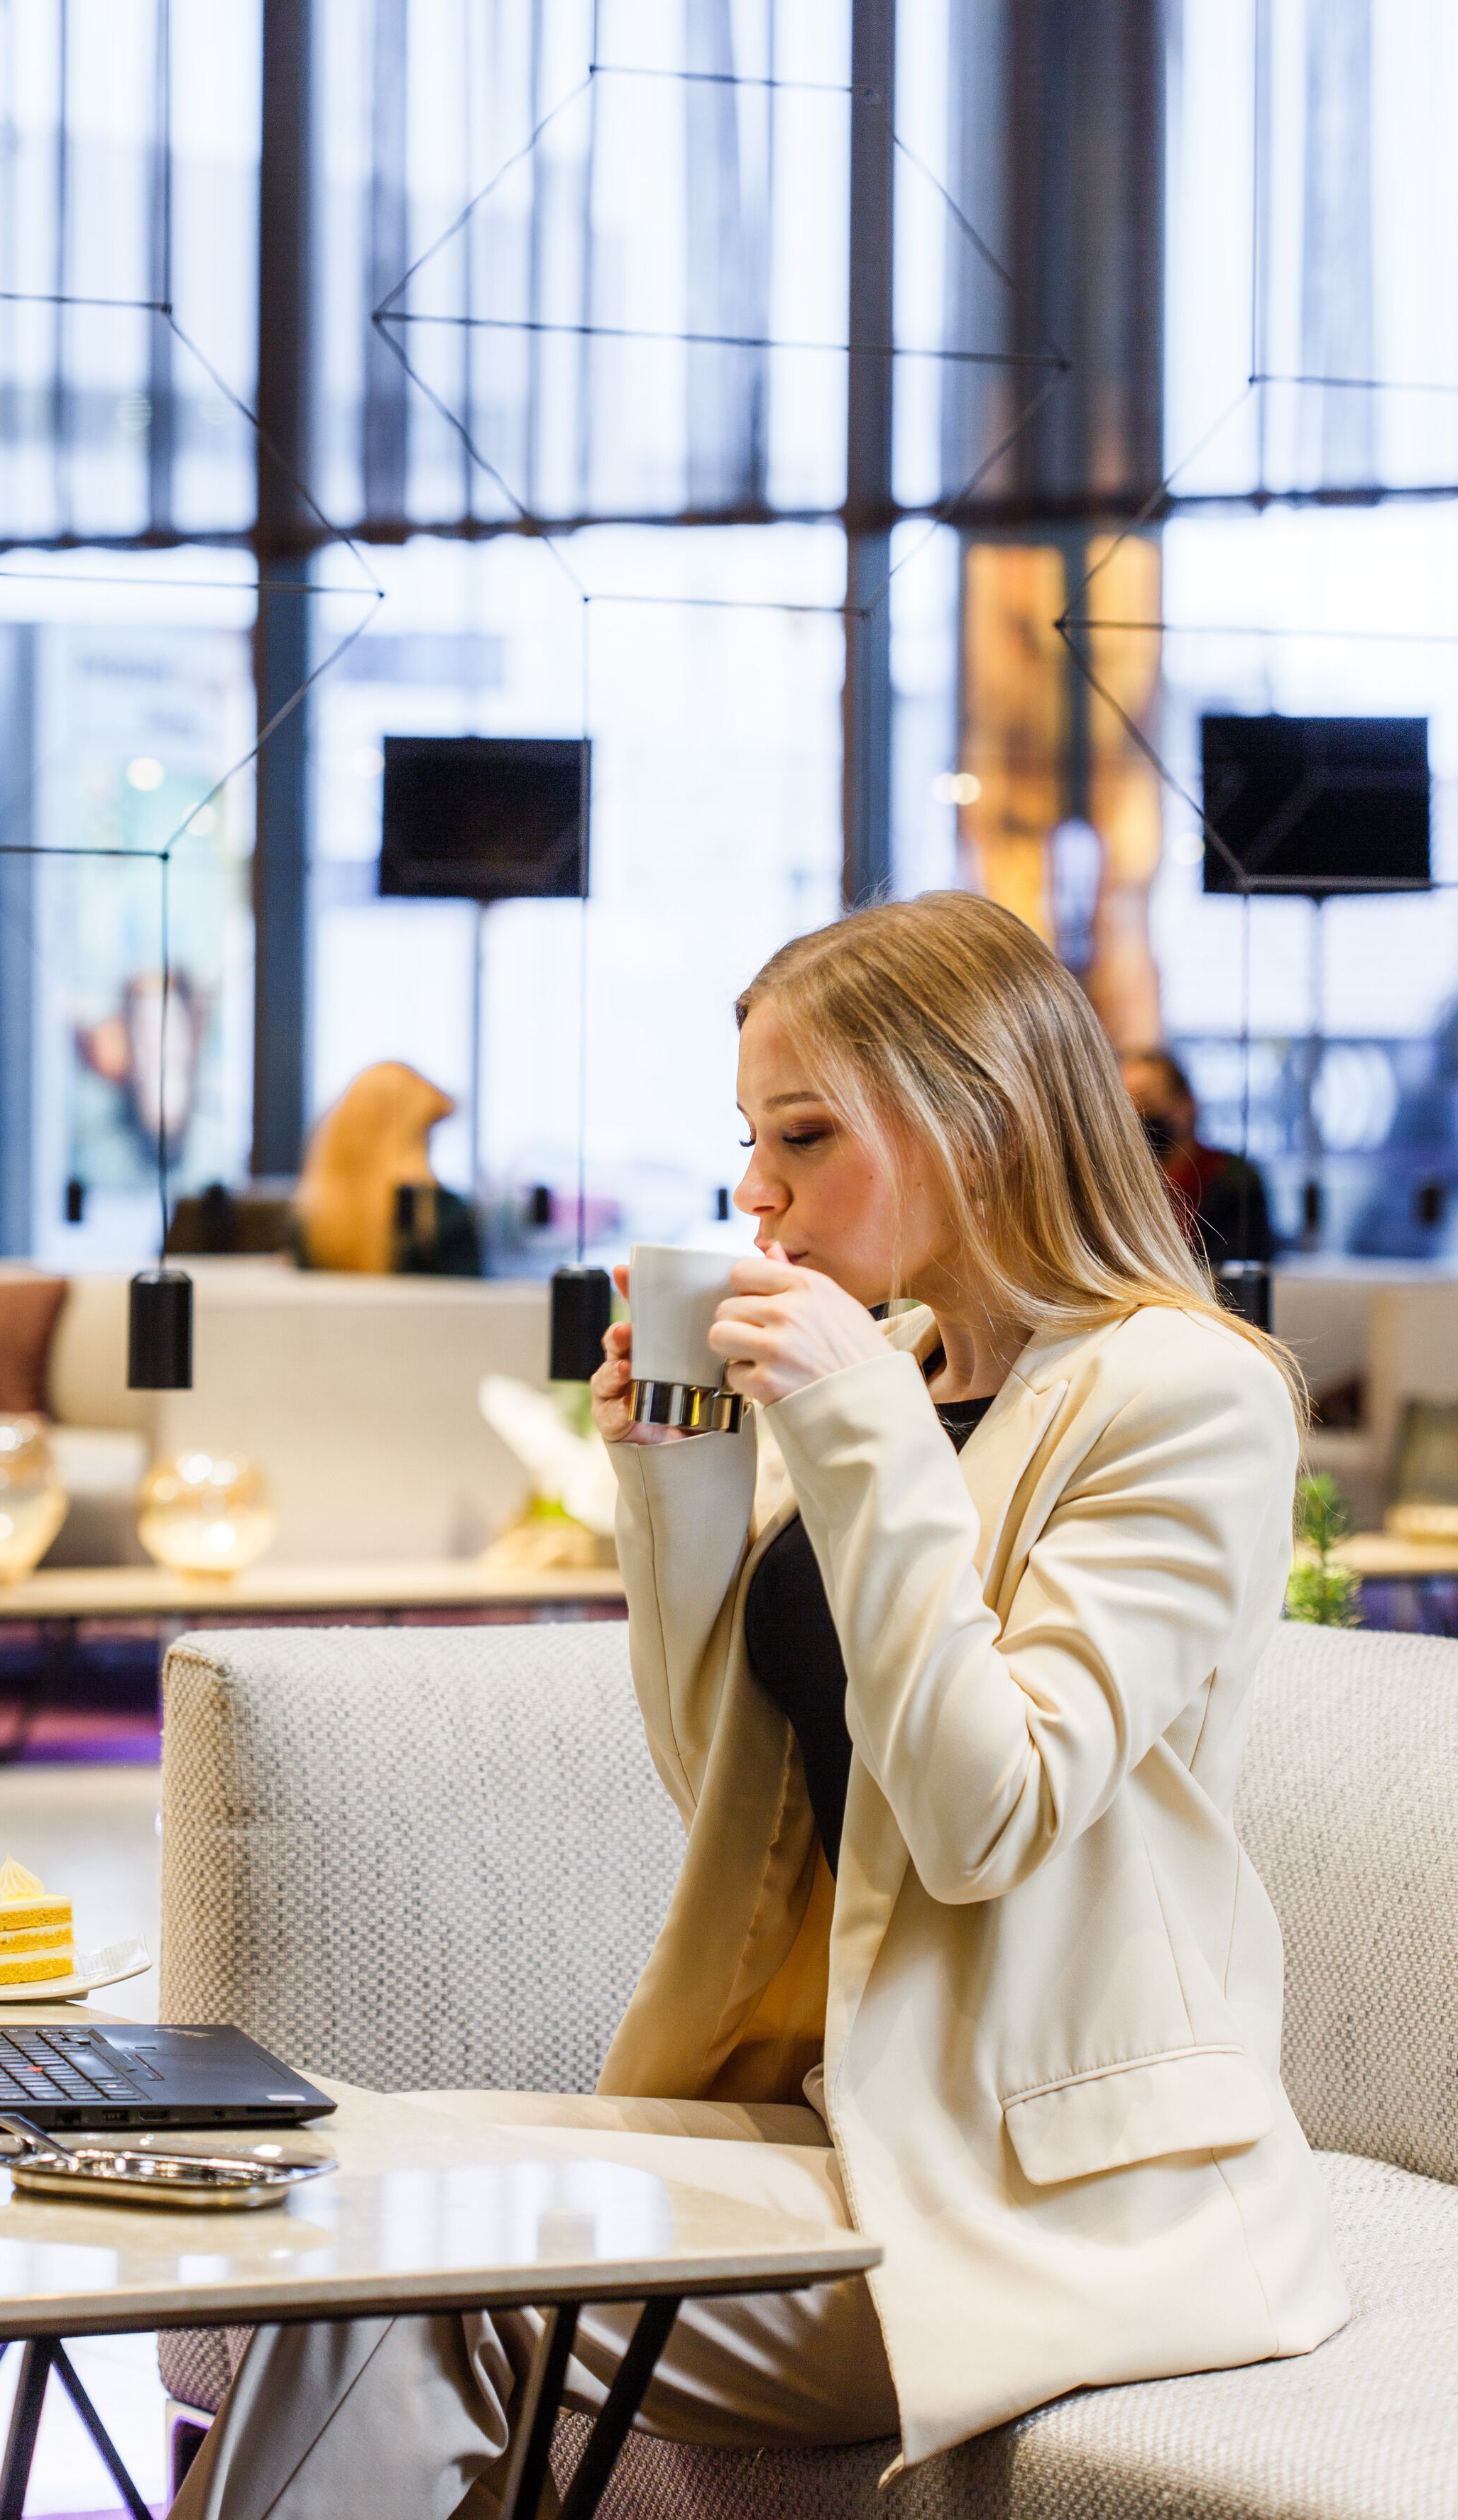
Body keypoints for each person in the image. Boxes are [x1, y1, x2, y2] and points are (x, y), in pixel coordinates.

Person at [173, 892, 1345, 2520]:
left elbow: (982, 1812)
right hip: (822, 2118)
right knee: (337, 2162)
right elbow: (721, 1782)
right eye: (747, 1133)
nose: (753, 1188)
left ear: (984, 1119)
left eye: (803, 1131)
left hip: (1042, 2196)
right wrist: (678, 1482)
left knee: (417, 2262)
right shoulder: (909, 1374)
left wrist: (853, 1415)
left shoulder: (1179, 1393)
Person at [1119, 1046, 1274, 1269]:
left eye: (1147, 1103)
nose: (1137, 1117)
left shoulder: (1233, 1180)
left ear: (1186, 1105)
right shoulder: (1116, 1181)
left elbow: (1234, 1274)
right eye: (1126, 1107)